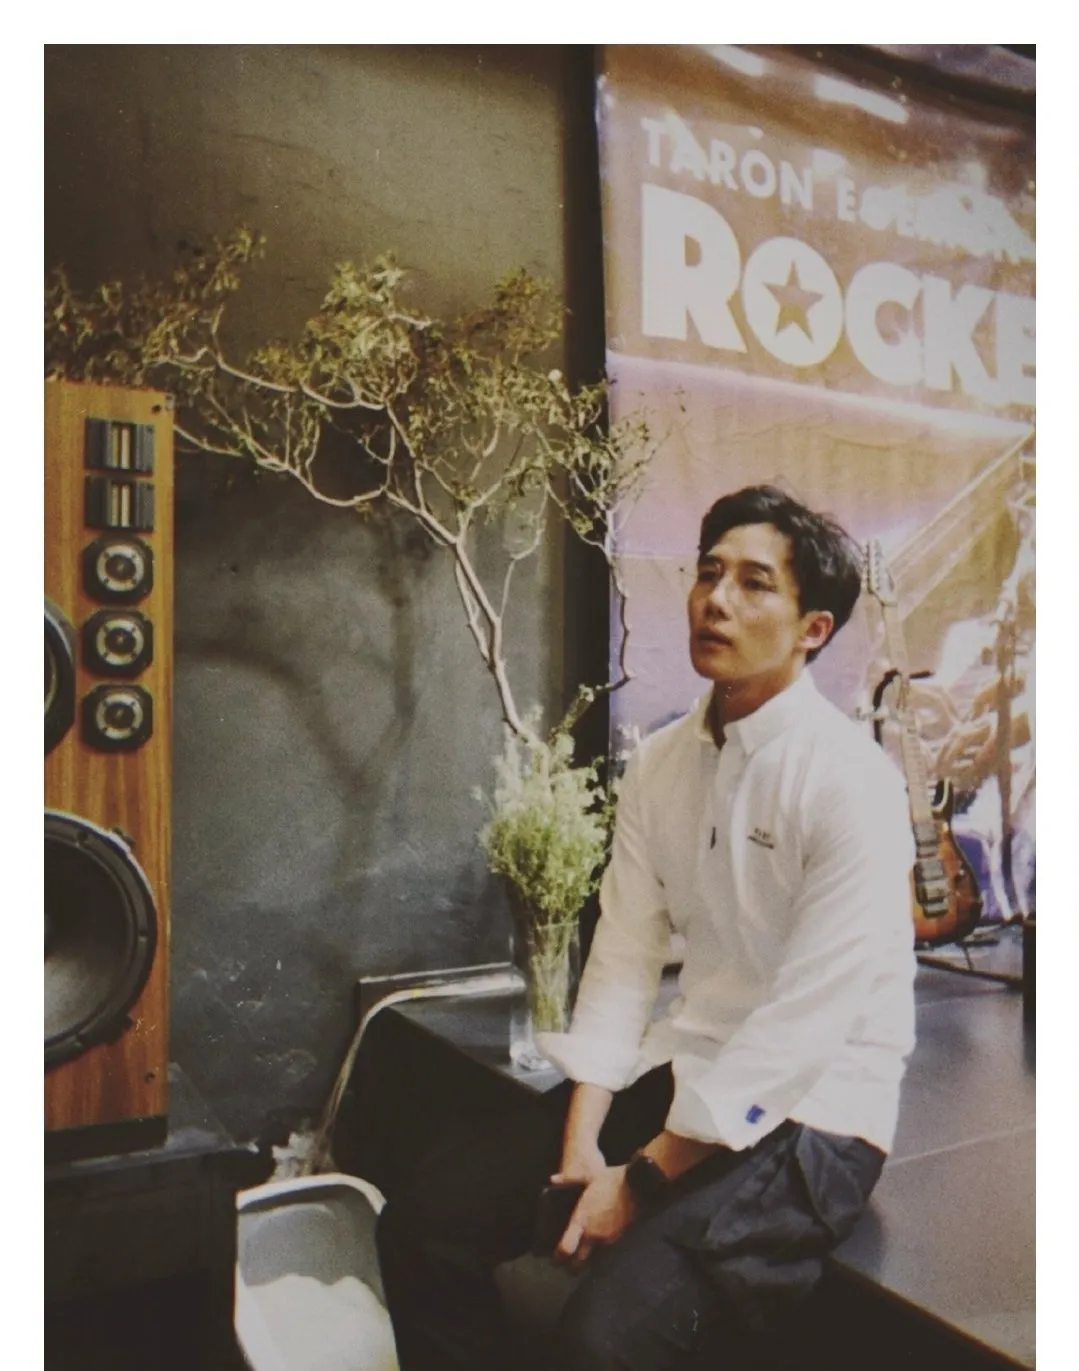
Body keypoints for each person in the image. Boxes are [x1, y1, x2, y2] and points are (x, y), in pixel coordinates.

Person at [375, 485, 917, 1371]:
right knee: (425, 1221)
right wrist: (582, 1138)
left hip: (818, 1110)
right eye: (708, 572)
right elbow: (624, 957)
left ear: (812, 629)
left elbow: (803, 1025)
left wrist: (639, 1177)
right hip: (689, 1063)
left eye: (752, 583)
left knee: (604, 1342)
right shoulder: (662, 762)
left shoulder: (851, 782)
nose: (715, 598)